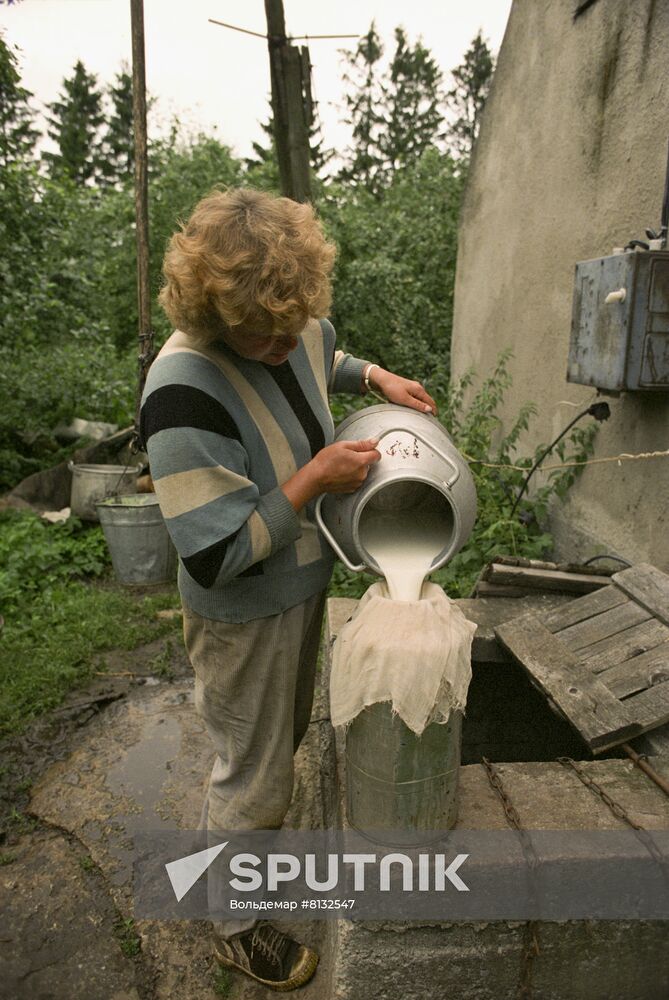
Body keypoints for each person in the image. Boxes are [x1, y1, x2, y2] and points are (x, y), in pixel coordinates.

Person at [140, 188, 437, 991]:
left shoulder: (290, 328)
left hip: (297, 581)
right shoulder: (181, 393)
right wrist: (309, 480)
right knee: (251, 770)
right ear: (210, 312)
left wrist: (375, 375)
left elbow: (319, 355)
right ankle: (232, 928)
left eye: (290, 326)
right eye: (260, 335)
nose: (282, 347)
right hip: (243, 613)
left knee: (273, 752)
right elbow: (215, 555)